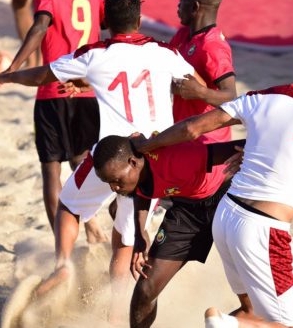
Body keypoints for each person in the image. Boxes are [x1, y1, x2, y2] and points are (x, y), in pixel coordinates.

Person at [0, 0, 201, 322]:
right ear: (140, 20)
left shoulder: (95, 53)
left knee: (69, 208)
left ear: (105, 22)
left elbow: (43, 75)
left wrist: (8, 76)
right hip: (153, 160)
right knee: (126, 239)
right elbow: (194, 85)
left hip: (112, 155)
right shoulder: (165, 52)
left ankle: (63, 264)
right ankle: (115, 314)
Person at [133, 32, 293, 328]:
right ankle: (225, 324)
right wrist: (273, 163)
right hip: (264, 228)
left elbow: (192, 129)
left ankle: (229, 323)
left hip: (226, 217)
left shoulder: (260, 97)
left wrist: (146, 145)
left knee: (253, 312)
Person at [2, 0, 106, 242]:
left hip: (53, 91)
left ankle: (63, 248)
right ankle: (91, 226)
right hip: (87, 92)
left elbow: (39, 27)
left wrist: (14, 67)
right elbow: (106, 25)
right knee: (80, 163)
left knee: (51, 171)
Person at [91, 135, 246, 328]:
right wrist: (139, 235)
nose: (113, 188)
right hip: (187, 210)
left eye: (116, 180)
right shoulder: (137, 173)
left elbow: (236, 148)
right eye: (108, 183)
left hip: (228, 199)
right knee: (145, 290)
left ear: (133, 162)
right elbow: (142, 190)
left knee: (253, 295)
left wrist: (257, 150)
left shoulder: (176, 157)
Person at [169, 0, 237, 144]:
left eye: (182, 0)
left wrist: (200, 92)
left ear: (195, 6)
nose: (178, 5)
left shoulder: (212, 46)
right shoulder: (183, 34)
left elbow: (231, 96)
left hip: (207, 142)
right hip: (182, 134)